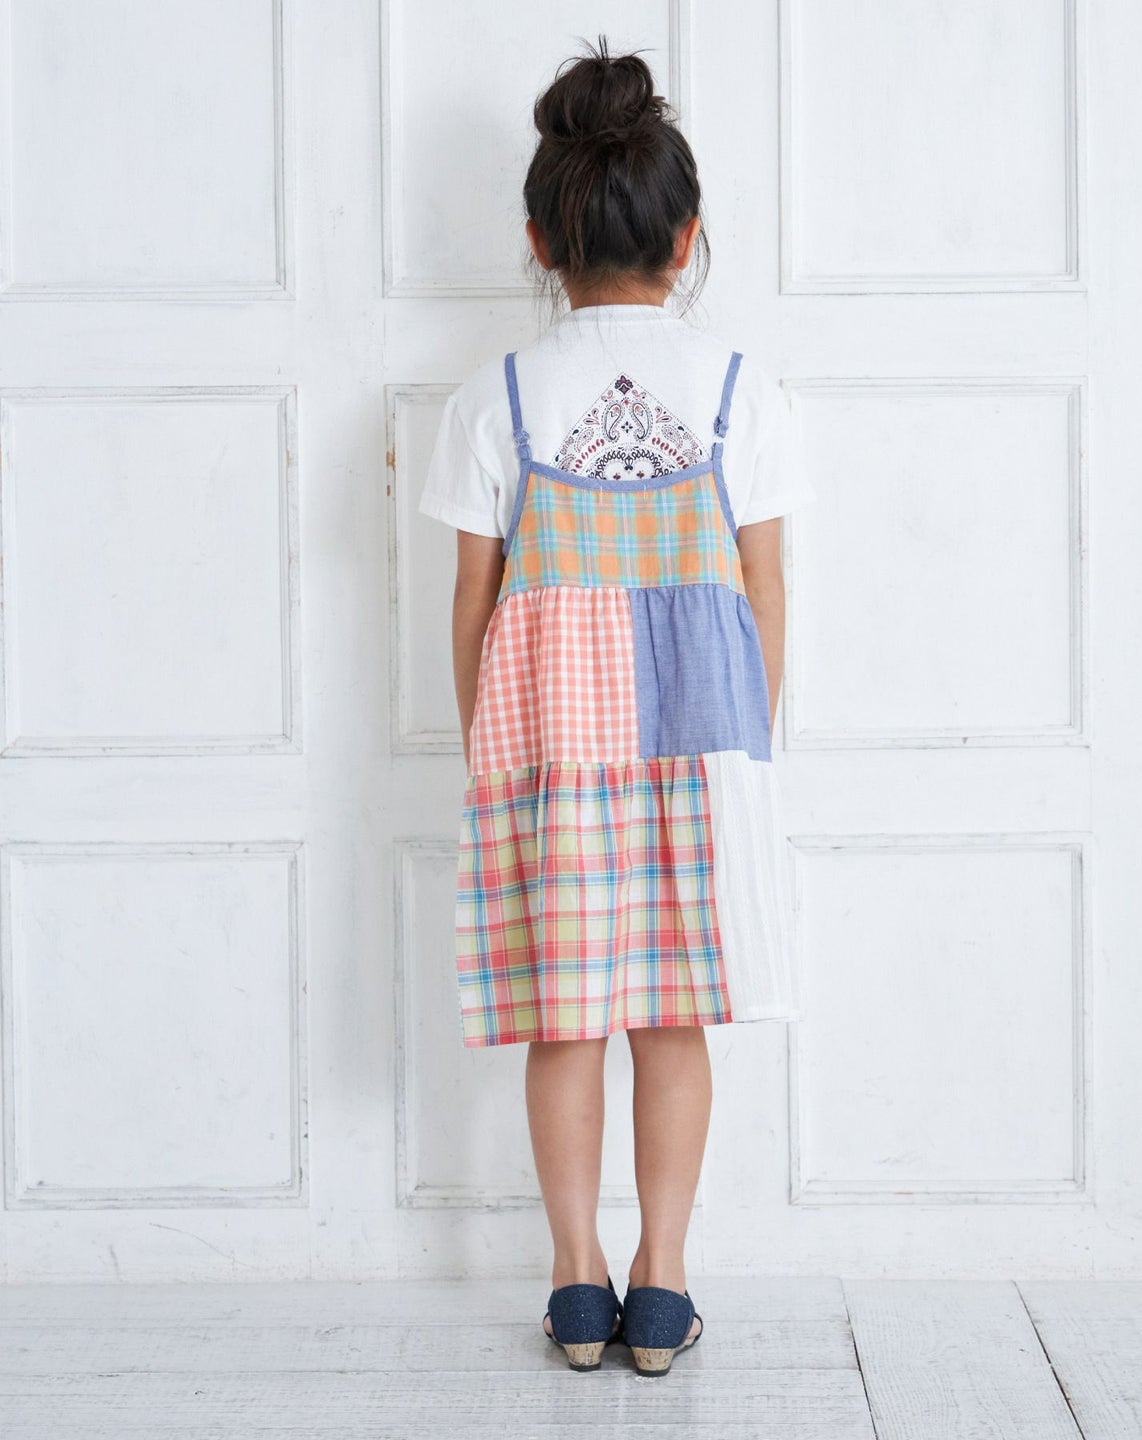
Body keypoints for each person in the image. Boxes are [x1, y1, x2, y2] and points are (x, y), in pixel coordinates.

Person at [417, 35, 803, 1378]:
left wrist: (494, 755)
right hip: (702, 749)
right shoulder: (742, 391)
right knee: (673, 1018)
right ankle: (662, 1278)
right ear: (687, 241)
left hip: (552, 757)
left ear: (540, 240)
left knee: (565, 1018)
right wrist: (748, 748)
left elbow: (471, 606)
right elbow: (763, 592)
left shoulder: (495, 399)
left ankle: (575, 1281)